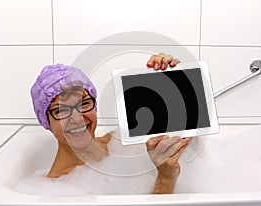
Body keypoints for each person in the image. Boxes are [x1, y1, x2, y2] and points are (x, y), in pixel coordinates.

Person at [31, 53, 189, 194]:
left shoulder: (118, 141)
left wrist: (171, 77)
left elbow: (187, 129)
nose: (77, 118)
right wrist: (166, 179)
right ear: (46, 121)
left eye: (84, 103)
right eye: (62, 110)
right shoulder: (59, 190)